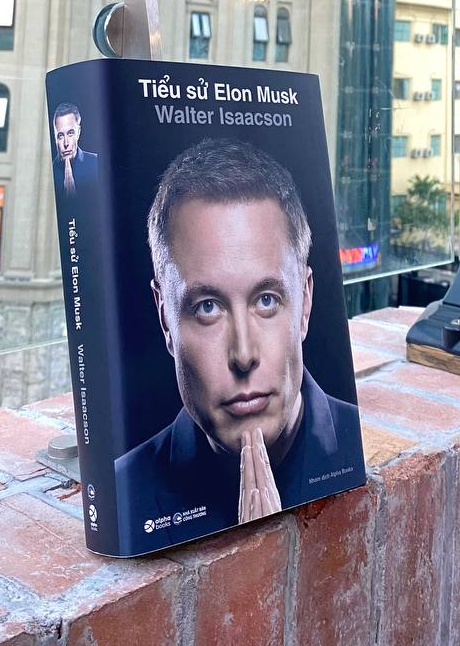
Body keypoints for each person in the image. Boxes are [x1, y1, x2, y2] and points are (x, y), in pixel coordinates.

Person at [114, 138, 362, 554]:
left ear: (305, 302)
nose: (243, 355)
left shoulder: (360, 445)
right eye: (207, 307)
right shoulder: (123, 491)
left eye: (266, 300)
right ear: (165, 318)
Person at [51, 102, 99, 198]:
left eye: (70, 133)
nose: (66, 143)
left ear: (78, 132)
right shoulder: (49, 172)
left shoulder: (96, 163)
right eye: (60, 135)